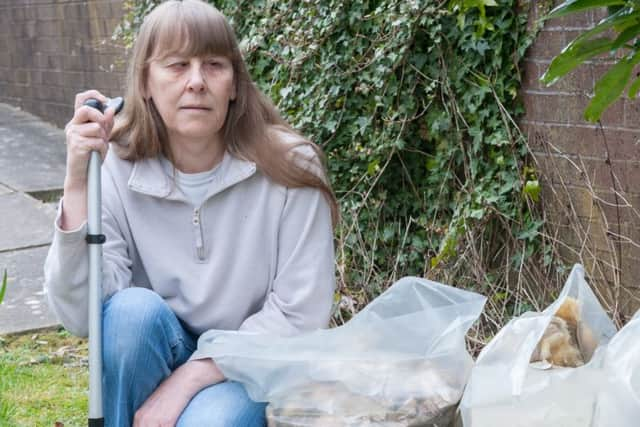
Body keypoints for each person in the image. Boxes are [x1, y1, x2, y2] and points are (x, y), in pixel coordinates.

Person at [43, 0, 338, 426]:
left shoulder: (291, 166)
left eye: (214, 65)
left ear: (235, 84)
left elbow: (299, 313)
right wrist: (77, 184)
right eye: (177, 65)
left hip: (248, 362)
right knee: (129, 316)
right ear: (145, 81)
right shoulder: (114, 165)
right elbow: (82, 315)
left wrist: (189, 379)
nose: (196, 82)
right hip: (160, 349)